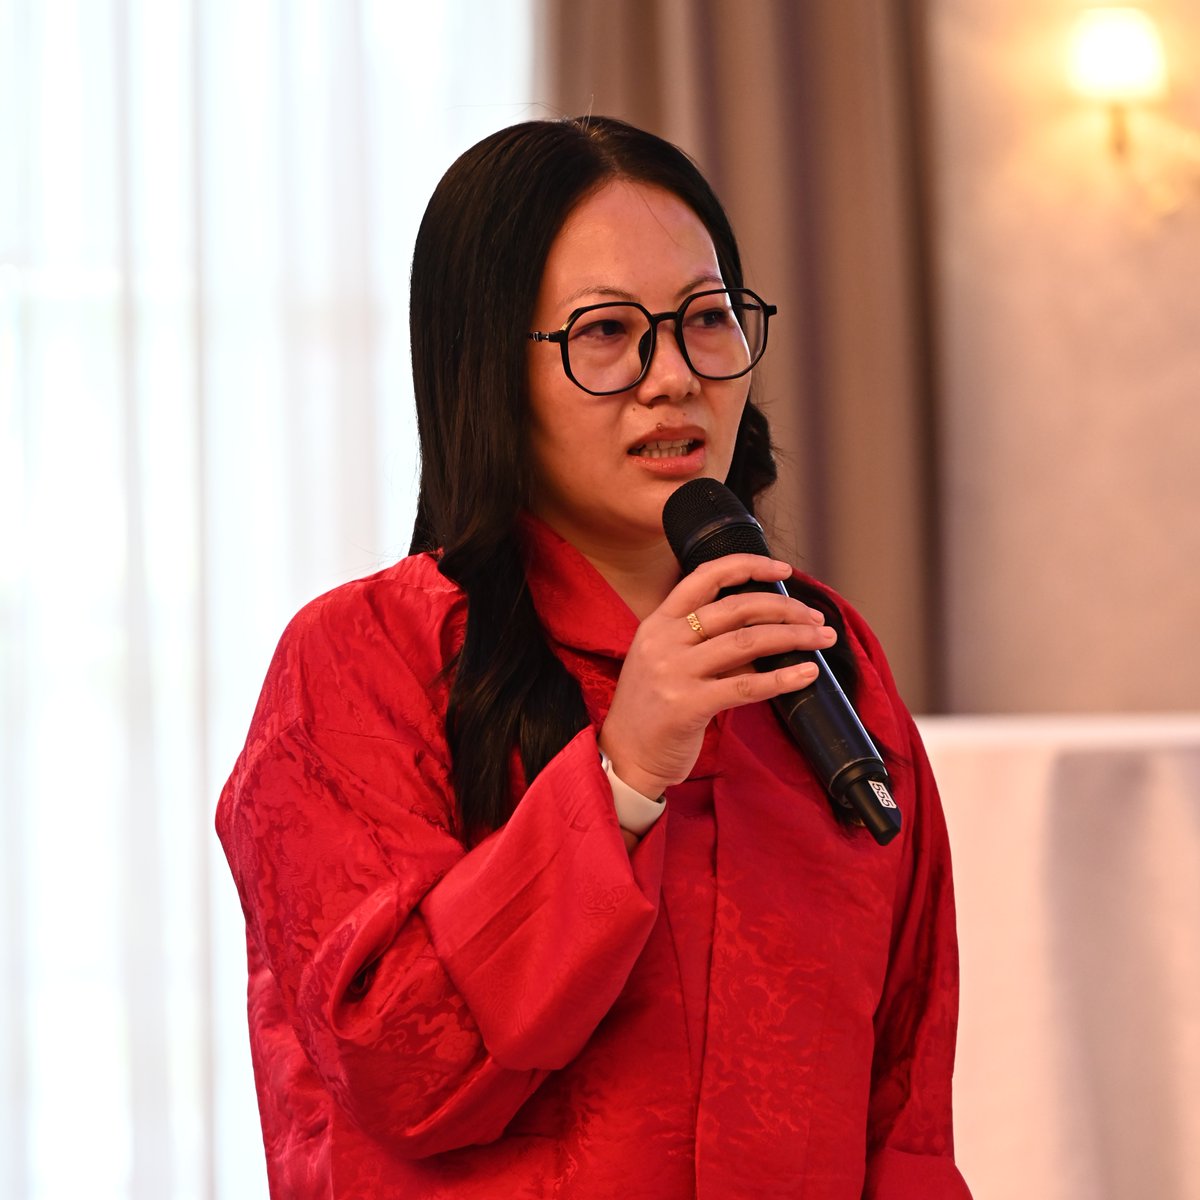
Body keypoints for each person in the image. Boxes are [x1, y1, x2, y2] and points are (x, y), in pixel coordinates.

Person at [217, 115, 973, 1199]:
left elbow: (904, 1115)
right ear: (490, 366)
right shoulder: (365, 656)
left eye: (707, 319)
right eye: (608, 333)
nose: (674, 378)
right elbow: (398, 1068)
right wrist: (624, 773)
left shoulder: (825, 657)